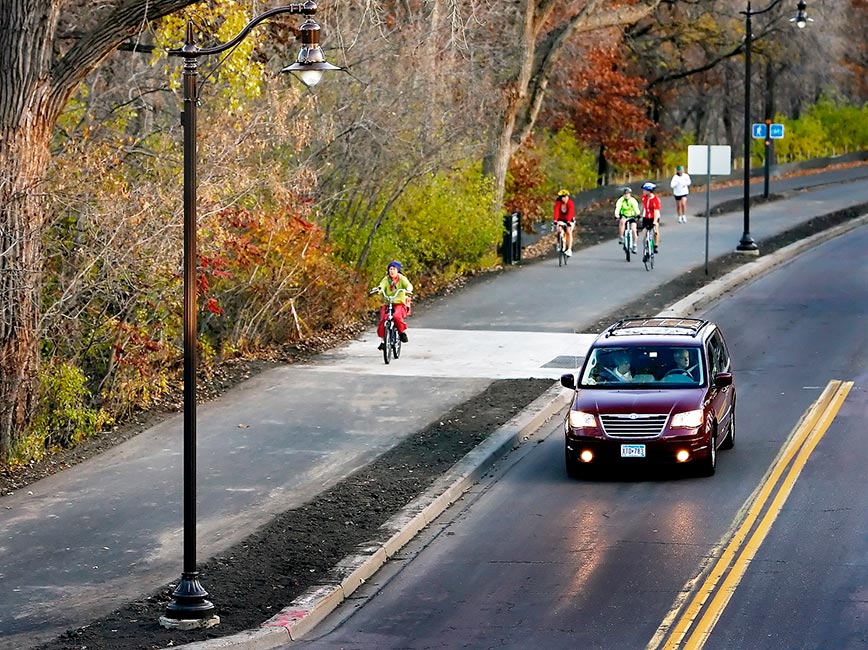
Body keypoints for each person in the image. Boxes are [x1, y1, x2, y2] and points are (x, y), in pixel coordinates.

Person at [372, 261, 413, 348]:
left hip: (399, 304)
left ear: (397, 270)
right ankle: (383, 340)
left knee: (397, 316)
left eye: (394, 269)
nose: (392, 271)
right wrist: (378, 289)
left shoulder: (402, 279)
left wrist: (408, 290)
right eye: (390, 269)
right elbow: (381, 286)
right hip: (388, 303)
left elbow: (408, 285)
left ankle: (402, 332)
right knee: (383, 319)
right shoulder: (386, 279)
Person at [614, 186, 640, 253]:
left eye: (628, 194)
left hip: (632, 216)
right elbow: (618, 207)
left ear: (630, 194)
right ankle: (621, 237)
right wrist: (616, 214)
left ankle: (634, 245)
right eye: (625, 194)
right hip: (624, 215)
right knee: (622, 221)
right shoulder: (621, 200)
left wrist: (638, 214)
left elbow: (636, 208)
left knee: (634, 230)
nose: (626, 195)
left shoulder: (633, 200)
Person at [553, 189, 575, 256]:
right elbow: (556, 212)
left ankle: (569, 249)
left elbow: (570, 213)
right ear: (561, 198)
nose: (566, 198)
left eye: (567, 197)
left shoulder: (570, 203)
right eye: (564, 197)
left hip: (569, 219)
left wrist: (568, 222)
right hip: (561, 219)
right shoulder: (558, 203)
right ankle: (559, 243)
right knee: (558, 230)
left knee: (568, 231)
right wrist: (555, 221)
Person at [641, 182, 662, 253]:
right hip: (646, 217)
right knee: (644, 232)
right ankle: (646, 249)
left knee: (655, 230)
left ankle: (656, 245)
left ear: (649, 191)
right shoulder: (644, 197)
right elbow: (643, 206)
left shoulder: (655, 200)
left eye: (644, 190)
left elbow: (656, 212)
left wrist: (655, 221)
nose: (643, 191)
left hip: (654, 217)